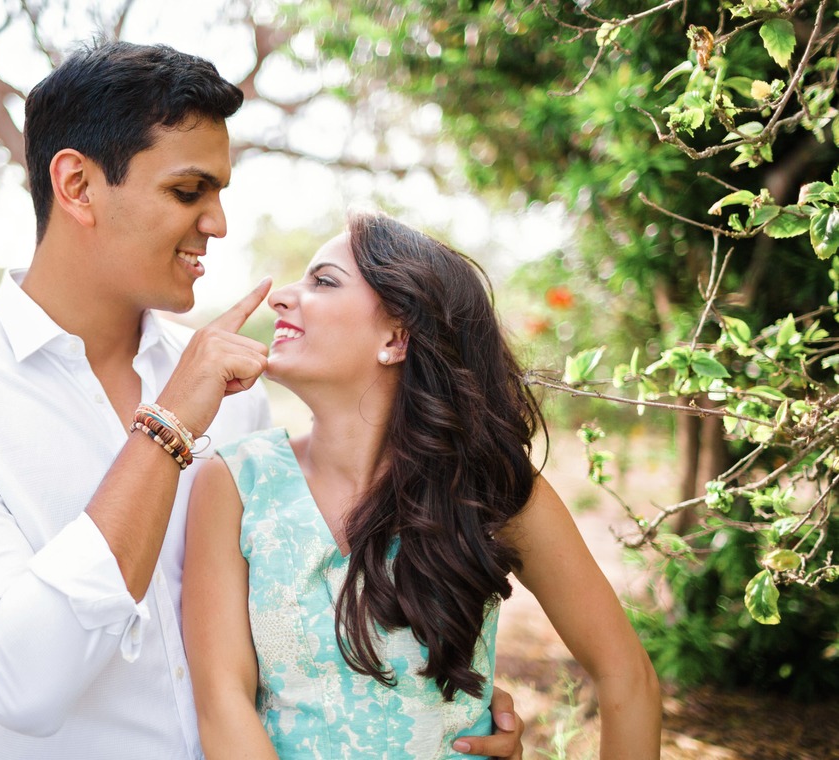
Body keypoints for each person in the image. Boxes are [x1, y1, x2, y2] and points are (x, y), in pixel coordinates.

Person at [0, 40, 525, 759]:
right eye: (189, 192)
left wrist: (434, 708)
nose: (217, 223)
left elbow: (282, 636)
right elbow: (18, 683)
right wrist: (167, 427)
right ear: (78, 186)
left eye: (219, 194)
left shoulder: (235, 392)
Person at [183, 213, 663, 759]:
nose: (282, 298)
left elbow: (627, 675)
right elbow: (222, 703)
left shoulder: (491, 489)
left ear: (396, 336)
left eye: (323, 281)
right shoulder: (235, 483)